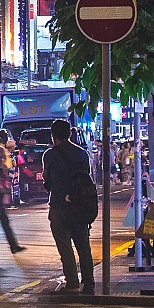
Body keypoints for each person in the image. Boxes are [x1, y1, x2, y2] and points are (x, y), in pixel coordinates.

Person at [42, 119, 95, 295]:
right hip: (80, 205)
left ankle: (72, 283)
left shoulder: (50, 155)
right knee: (83, 246)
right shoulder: (82, 154)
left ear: (53, 135)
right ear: (70, 134)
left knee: (65, 246)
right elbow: (86, 178)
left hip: (59, 206)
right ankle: (89, 283)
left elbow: (47, 180)